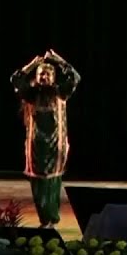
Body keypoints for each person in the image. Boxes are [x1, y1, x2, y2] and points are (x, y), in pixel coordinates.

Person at [10, 50, 80, 228]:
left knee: (53, 183)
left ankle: (53, 219)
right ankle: (44, 219)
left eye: (48, 74)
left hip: (56, 145)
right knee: (38, 184)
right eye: (41, 74)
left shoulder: (60, 92)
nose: (44, 77)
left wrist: (58, 59)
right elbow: (15, 79)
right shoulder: (31, 94)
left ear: (53, 77)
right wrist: (32, 65)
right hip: (36, 146)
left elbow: (75, 77)